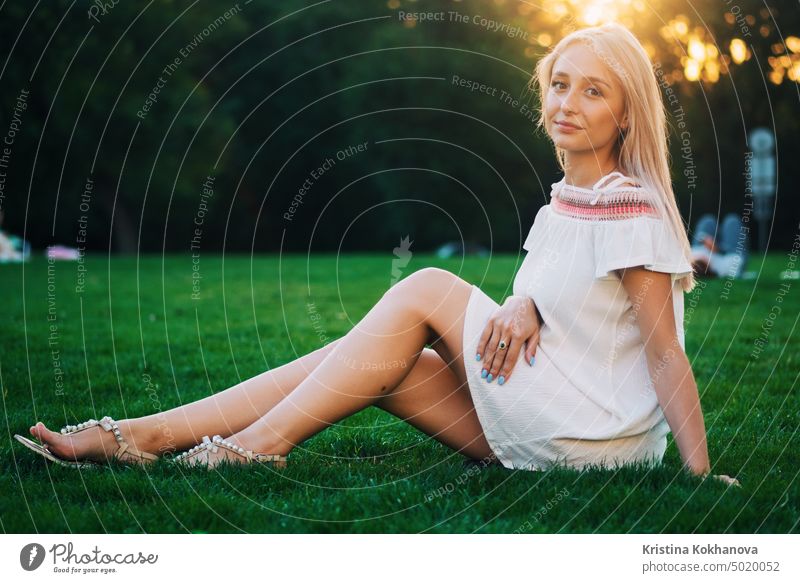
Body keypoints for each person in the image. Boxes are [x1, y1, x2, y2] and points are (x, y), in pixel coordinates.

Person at [15, 23, 738, 486]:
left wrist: (701, 474)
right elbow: (574, 298)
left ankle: (252, 446)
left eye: (593, 90)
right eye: (557, 83)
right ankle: (137, 436)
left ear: (625, 113)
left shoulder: (631, 206)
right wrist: (522, 302)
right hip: (548, 409)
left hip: (593, 435)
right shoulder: (565, 203)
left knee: (424, 285)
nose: (566, 101)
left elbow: (664, 352)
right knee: (364, 360)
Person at [690, 213, 750, 278]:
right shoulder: (725, 269)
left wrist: (704, 239)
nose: (702, 256)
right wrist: (718, 250)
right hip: (729, 254)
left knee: (708, 221)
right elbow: (738, 261)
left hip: (708, 247)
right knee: (732, 222)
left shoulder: (692, 257)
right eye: (703, 259)